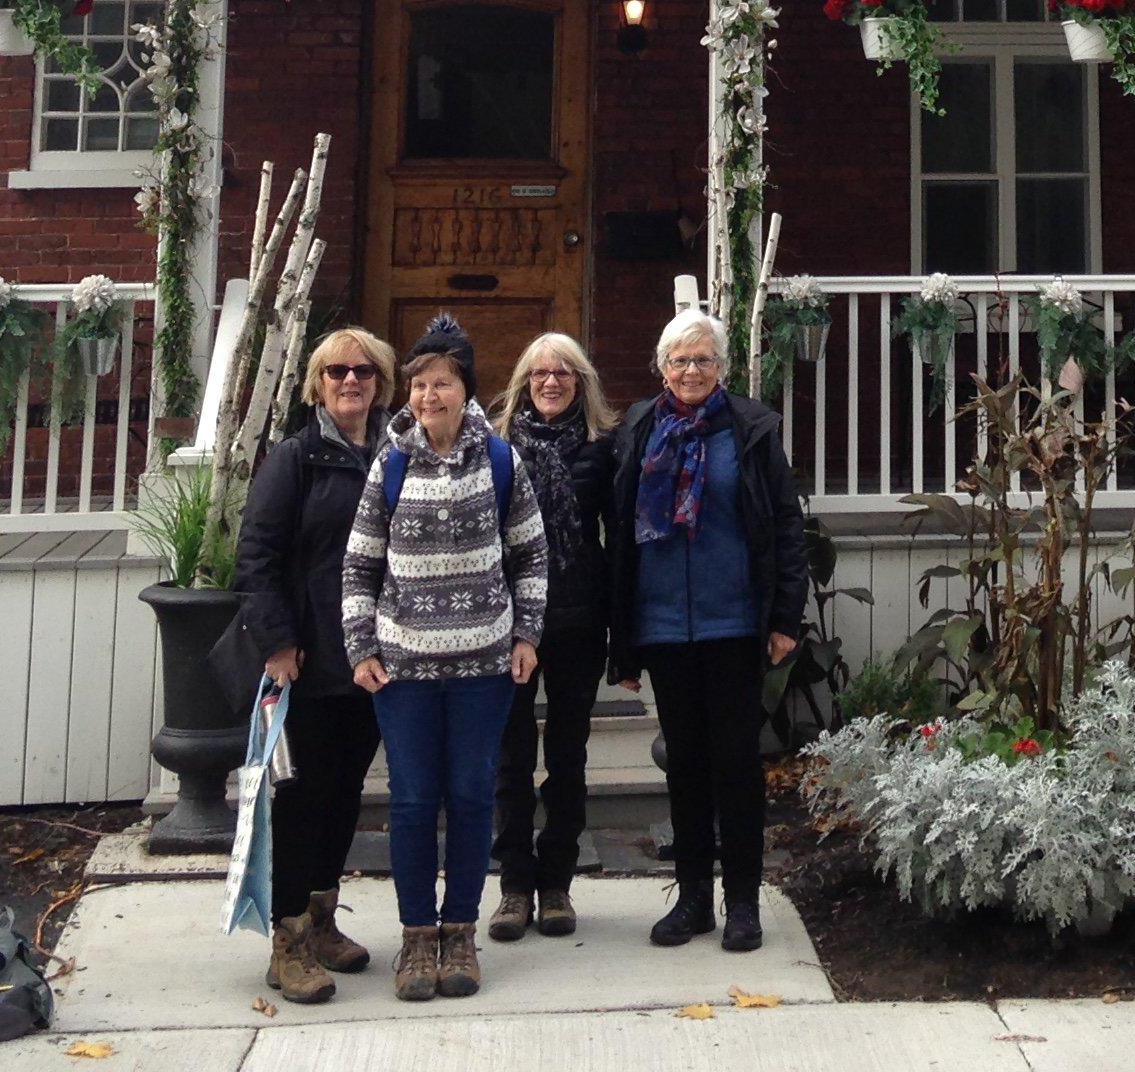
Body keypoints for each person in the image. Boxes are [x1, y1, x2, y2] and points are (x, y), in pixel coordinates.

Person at [342, 313, 547, 1004]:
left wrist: (527, 636)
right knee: (410, 803)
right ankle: (415, 938)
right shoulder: (391, 462)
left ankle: (460, 931)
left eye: (443, 384)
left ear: (467, 392)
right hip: (402, 673)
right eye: (420, 385)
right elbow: (360, 565)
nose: (430, 396)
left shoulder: (499, 461)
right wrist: (361, 646)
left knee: (469, 797)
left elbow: (531, 556)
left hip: (483, 668)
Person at [604, 308, 807, 954]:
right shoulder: (640, 428)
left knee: (736, 765)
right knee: (685, 765)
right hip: (663, 626)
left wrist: (784, 618)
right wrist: (624, 636)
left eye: (703, 359)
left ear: (721, 367)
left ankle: (742, 901)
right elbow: (618, 536)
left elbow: (784, 525)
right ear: (662, 367)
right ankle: (692, 897)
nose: (691, 370)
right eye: (680, 360)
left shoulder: (749, 430)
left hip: (732, 623)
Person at [231, 324, 395, 1006]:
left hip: (377, 659)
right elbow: (258, 552)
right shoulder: (296, 460)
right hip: (309, 657)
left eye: (363, 371)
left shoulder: (397, 453)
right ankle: (288, 942)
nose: (350, 381)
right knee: (301, 800)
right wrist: (276, 640)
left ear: (380, 382)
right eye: (336, 373)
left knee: (345, 794)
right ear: (317, 385)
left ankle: (324, 922)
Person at [489, 331, 615, 941]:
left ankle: (557, 883)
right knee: (511, 757)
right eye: (539, 373)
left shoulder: (602, 450)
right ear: (523, 384)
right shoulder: (494, 450)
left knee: (567, 755)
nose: (551, 381)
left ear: (581, 382)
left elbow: (616, 540)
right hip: (507, 622)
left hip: (577, 619)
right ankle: (514, 884)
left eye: (564, 372)